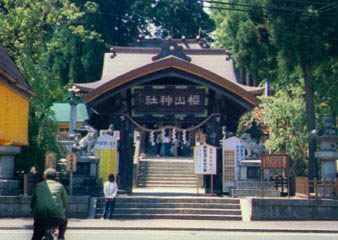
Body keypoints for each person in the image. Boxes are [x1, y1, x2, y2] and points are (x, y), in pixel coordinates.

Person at [31, 168, 68, 240]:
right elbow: (65, 202)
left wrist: (33, 209)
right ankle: (60, 237)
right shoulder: (60, 186)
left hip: (41, 218)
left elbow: (33, 201)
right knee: (65, 219)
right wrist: (63, 209)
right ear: (56, 177)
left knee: (36, 235)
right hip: (57, 218)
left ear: (45, 176)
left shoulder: (38, 186)